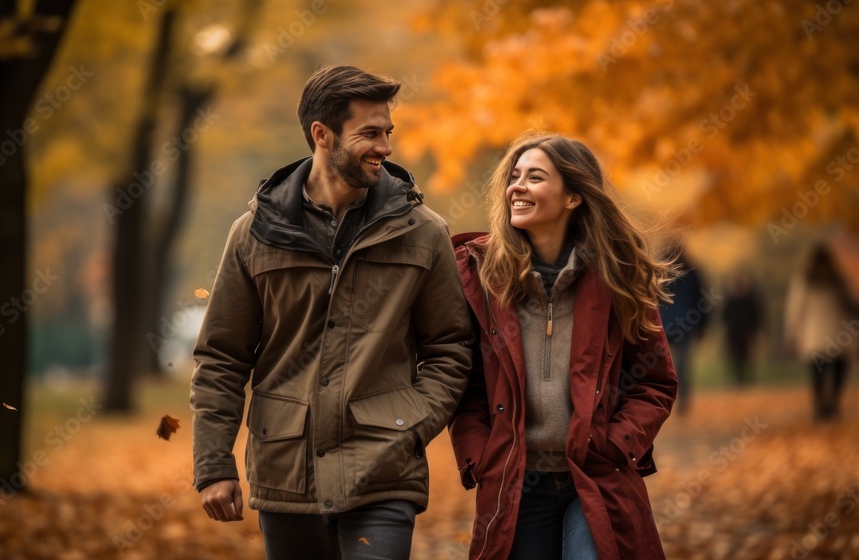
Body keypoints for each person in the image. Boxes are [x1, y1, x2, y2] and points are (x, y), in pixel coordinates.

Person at [189, 65, 473, 560]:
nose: (385, 146)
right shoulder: (253, 233)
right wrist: (213, 466)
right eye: (369, 133)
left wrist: (408, 426)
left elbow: (451, 347)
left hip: (384, 475)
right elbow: (222, 356)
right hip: (285, 474)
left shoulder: (423, 232)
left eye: (388, 133)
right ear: (322, 135)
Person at [450, 133, 678, 560]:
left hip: (594, 478)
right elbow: (466, 385)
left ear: (573, 196)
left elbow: (654, 383)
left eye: (534, 177)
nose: (517, 187)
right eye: (514, 176)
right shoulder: (480, 277)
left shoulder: (619, 277)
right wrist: (480, 457)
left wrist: (615, 443)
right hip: (515, 483)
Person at [784, 242, 859, 421]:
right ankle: (834, 402)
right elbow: (852, 306)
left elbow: (795, 309)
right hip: (838, 334)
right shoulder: (839, 280)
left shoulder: (805, 280)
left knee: (818, 373)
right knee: (839, 370)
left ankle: (819, 406)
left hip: (815, 335)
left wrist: (792, 335)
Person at [659, 244, 708, 413]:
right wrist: (701, 325)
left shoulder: (659, 270)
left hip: (665, 326)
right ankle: (682, 402)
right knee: (682, 366)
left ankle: (667, 402)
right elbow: (702, 301)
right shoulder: (693, 273)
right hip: (685, 325)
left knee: (665, 367)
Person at [722, 268, 762, 386]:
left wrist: (754, 329)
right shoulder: (732, 300)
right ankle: (737, 377)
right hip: (734, 332)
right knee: (735, 355)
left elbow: (755, 316)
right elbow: (725, 315)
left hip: (745, 332)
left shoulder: (748, 300)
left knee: (745, 355)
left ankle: (745, 378)